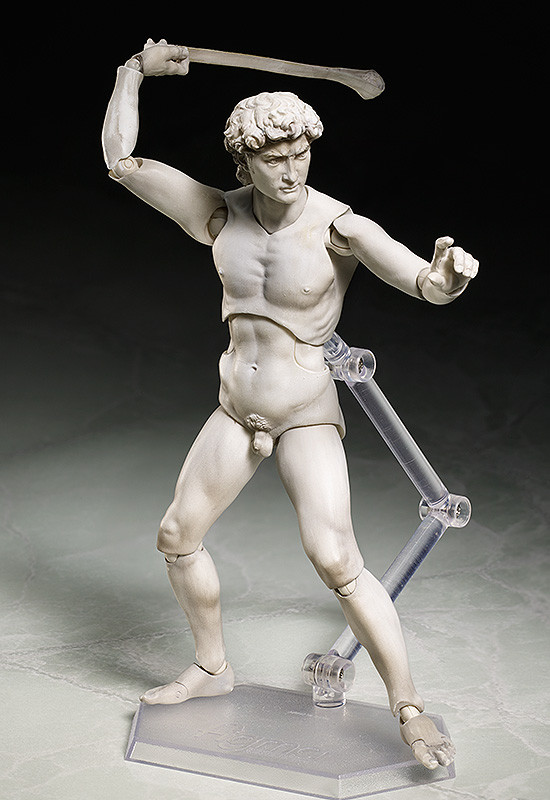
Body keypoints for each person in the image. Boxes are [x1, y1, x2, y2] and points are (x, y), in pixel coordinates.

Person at [102, 39, 478, 770]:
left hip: (304, 412)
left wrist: (448, 276)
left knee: (336, 558)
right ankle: (212, 667)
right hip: (235, 409)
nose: (291, 169)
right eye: (274, 157)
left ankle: (407, 706)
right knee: (177, 534)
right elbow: (122, 161)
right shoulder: (219, 213)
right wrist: (132, 73)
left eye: (301, 153)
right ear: (243, 162)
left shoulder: (340, 227)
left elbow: (423, 284)